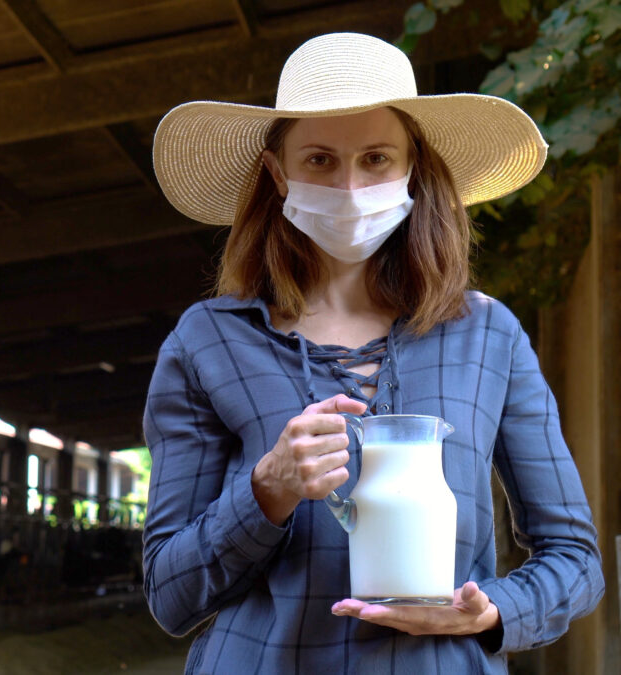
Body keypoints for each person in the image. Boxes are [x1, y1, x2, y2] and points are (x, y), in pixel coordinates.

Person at [141, 32, 604, 673]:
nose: (352, 186)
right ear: (279, 173)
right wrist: (265, 491)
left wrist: (492, 609)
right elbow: (169, 595)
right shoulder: (209, 340)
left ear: (414, 164)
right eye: (321, 161)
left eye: (377, 158)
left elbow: (575, 558)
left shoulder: (488, 335)